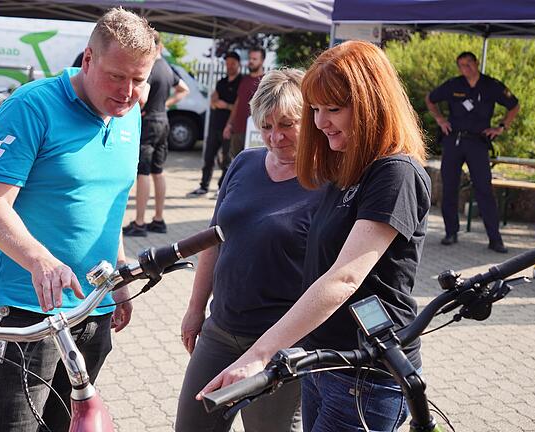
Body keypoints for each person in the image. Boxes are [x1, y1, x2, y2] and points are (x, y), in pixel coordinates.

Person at [199, 41, 431, 432]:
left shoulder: (395, 172)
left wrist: (260, 354)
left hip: (367, 373)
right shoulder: (347, 169)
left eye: (333, 109)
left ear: (371, 103)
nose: (320, 122)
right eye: (316, 110)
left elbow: (345, 277)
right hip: (325, 363)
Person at [0, 9, 156, 431]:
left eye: (139, 79)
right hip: (26, 312)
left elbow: (109, 206)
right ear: (88, 60)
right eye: (117, 76)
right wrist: (42, 261)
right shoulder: (32, 106)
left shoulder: (130, 114)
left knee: (68, 425)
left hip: (94, 308)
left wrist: (122, 283)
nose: (128, 92)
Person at [176, 69, 321, 432]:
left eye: (288, 124)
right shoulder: (245, 163)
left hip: (279, 345)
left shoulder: (328, 184)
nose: (276, 137)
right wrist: (195, 310)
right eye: (266, 125)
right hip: (221, 330)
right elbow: (214, 239)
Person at [426, 51, 520, 253]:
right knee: (449, 186)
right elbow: (430, 99)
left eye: (468, 64)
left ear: (476, 63)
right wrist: (440, 120)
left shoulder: (491, 85)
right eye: (461, 65)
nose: (465, 68)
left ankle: (494, 238)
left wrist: (501, 127)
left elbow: (514, 105)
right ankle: (451, 232)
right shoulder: (453, 84)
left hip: (477, 142)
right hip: (454, 140)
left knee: (484, 189)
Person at [123, 31, 190, 237]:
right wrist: (166, 104)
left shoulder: (150, 68)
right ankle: (159, 219)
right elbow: (184, 89)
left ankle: (139, 222)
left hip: (150, 121)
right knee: (158, 171)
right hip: (164, 120)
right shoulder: (168, 68)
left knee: (142, 171)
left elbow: (142, 98)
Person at [187, 52, 242, 197]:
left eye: (233, 63)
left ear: (239, 64)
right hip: (215, 125)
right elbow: (213, 100)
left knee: (226, 160)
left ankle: (221, 189)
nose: (229, 66)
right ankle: (203, 186)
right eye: (227, 63)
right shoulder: (221, 82)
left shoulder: (241, 83)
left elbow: (238, 106)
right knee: (208, 157)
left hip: (230, 128)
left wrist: (226, 105)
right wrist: (218, 103)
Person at [222, 47, 265, 161]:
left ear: (262, 61)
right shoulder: (244, 79)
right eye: (250, 58)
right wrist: (229, 124)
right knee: (235, 163)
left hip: (254, 132)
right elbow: (238, 103)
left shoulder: (266, 81)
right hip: (237, 130)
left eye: (255, 59)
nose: (251, 61)